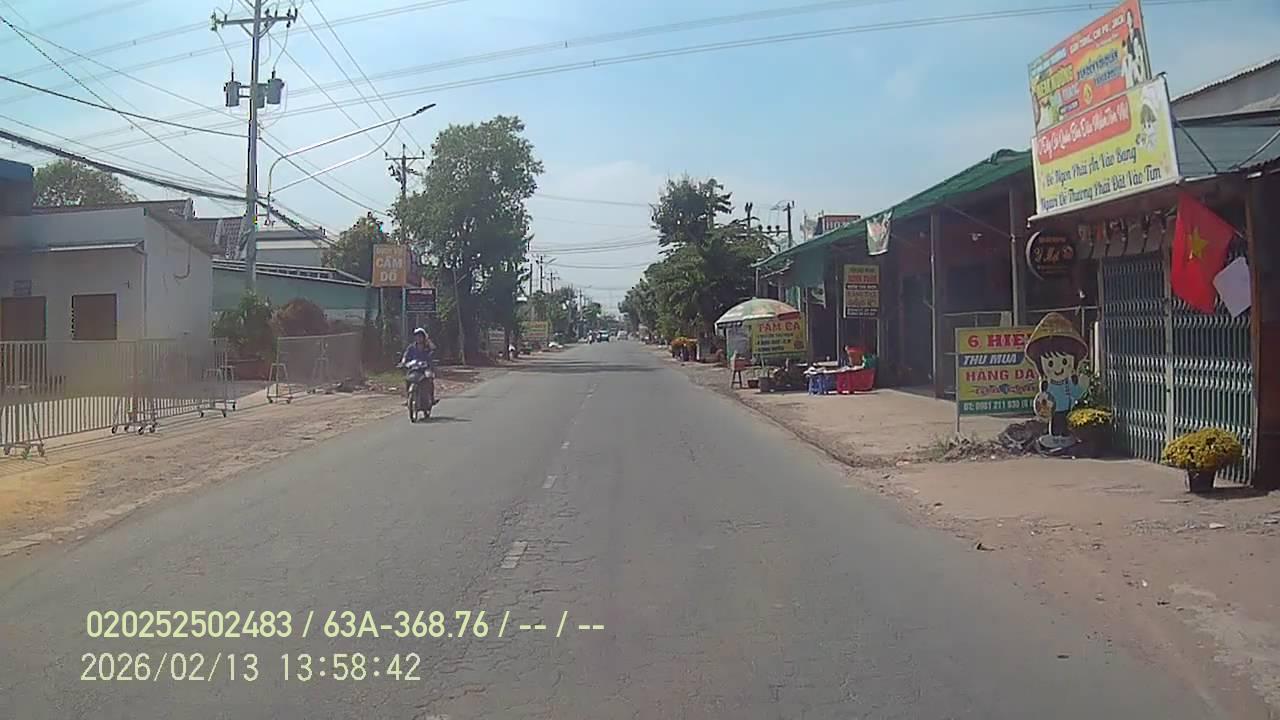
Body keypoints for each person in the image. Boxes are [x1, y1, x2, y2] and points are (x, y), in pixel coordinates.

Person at [400, 328, 437, 403]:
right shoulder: (411, 347)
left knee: (429, 378)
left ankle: (431, 398)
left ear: (424, 337)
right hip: (414, 368)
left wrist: (430, 362)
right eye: (417, 336)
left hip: (425, 368)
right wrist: (403, 362)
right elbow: (405, 356)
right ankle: (408, 398)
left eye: (420, 336)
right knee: (407, 379)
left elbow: (433, 353)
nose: (418, 338)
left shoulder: (428, 347)